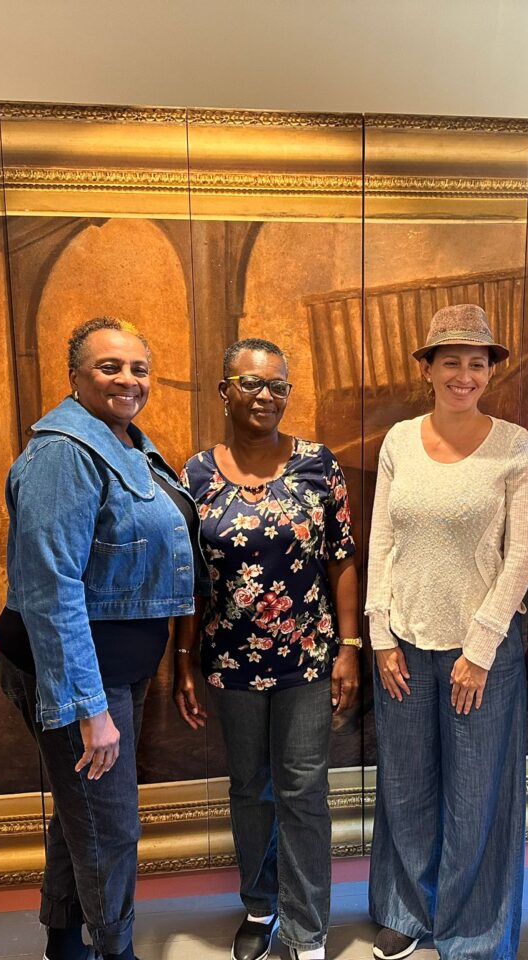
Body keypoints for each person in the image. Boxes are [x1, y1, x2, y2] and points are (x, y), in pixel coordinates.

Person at [0, 317, 208, 960]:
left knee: (79, 810)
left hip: (115, 664)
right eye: (109, 367)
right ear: (75, 376)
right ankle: (116, 951)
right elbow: (51, 586)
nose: (128, 379)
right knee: (110, 827)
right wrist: (88, 707)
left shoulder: (122, 441)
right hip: (77, 670)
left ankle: (65, 943)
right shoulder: (66, 451)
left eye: (138, 368)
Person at [364, 304, 528, 960]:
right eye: (451, 362)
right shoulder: (400, 441)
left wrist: (482, 646)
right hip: (405, 642)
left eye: (477, 362)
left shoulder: (514, 446)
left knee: (478, 793)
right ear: (428, 369)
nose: (464, 375)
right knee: (405, 783)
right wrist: (380, 636)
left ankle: (474, 929)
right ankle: (405, 910)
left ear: (490, 371)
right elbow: (382, 537)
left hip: (482, 653)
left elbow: (523, 554)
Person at [175, 337, 360, 960]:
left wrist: (349, 646)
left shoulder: (317, 464)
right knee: (248, 787)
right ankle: (260, 906)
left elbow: (341, 559)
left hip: (308, 657)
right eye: (252, 384)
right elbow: (191, 579)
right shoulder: (195, 474)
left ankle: (308, 928)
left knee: (303, 789)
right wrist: (184, 660)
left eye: (278, 385)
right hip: (230, 661)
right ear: (225, 390)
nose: (266, 396)